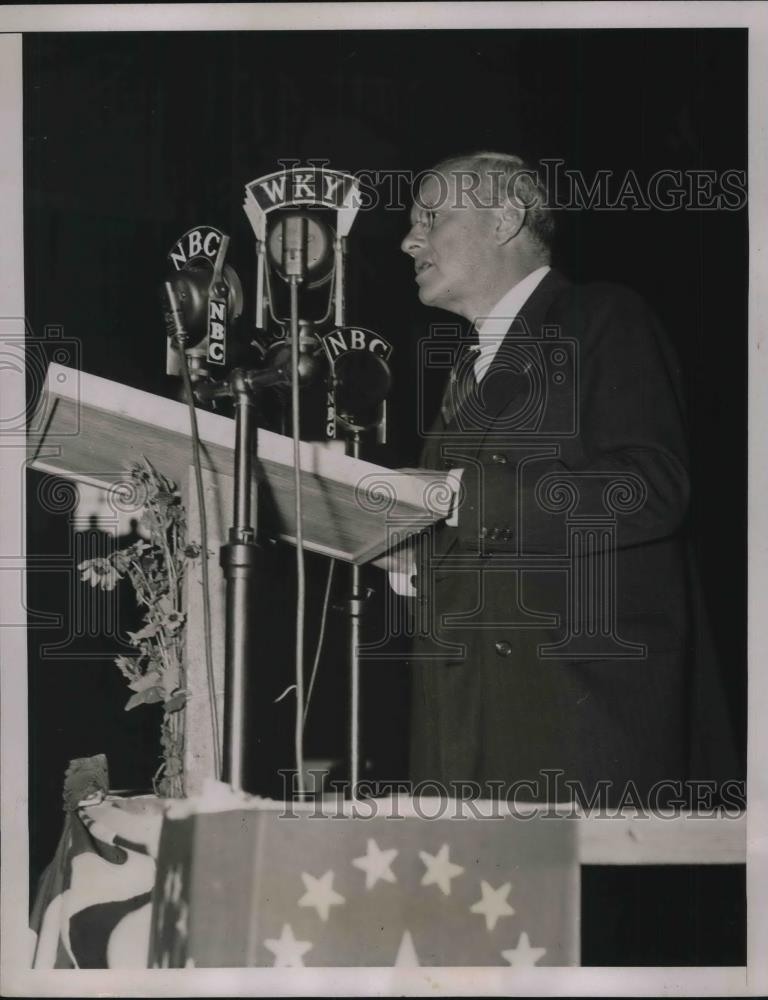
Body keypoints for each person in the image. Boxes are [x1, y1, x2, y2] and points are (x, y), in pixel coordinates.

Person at [391, 151, 738, 807]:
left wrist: (456, 500)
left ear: (506, 218)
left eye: (431, 217)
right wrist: (413, 545)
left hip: (575, 736)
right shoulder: (465, 368)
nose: (410, 240)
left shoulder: (603, 317)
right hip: (463, 737)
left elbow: (652, 489)